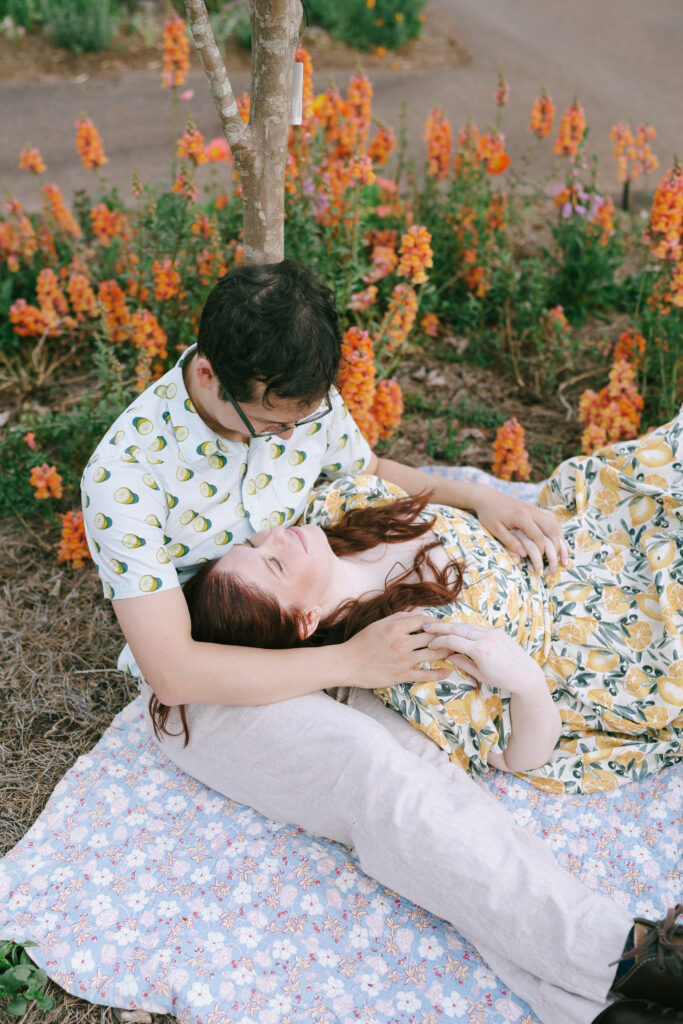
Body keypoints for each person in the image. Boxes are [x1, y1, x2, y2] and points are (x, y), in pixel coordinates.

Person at [82, 260, 682, 1024]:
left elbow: (358, 466)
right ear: (208, 375)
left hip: (337, 620)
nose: (289, 438)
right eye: (272, 425)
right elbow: (173, 671)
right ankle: (635, 958)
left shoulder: (297, 394)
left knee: (443, 802)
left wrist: (476, 497)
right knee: (380, 784)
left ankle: (591, 1008)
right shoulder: (125, 473)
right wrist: (344, 664)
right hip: (215, 674)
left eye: (304, 420)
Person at [164, 427, 683, 794]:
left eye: (257, 545)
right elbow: (519, 757)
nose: (277, 535)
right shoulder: (406, 655)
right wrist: (527, 684)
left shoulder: (336, 509)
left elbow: (384, 472)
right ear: (305, 620)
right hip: (623, 631)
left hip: (592, 533)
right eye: (274, 563)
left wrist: (483, 498)